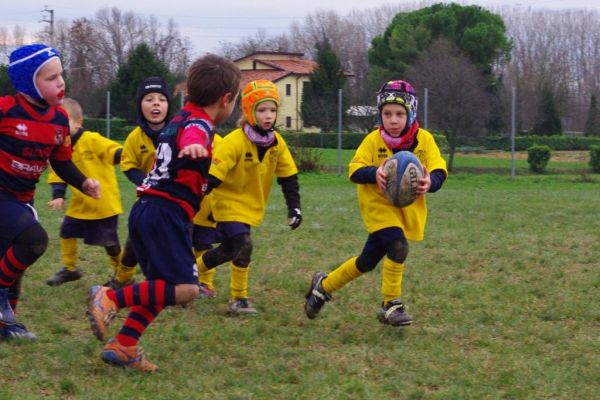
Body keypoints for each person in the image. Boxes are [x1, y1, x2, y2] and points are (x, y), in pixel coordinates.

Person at [86, 54, 241, 372]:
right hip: (165, 214)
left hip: (148, 210)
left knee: (162, 285)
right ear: (226, 99)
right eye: (234, 101)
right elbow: (195, 135)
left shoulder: (181, 115)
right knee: (185, 289)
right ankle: (110, 298)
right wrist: (198, 145)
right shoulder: (199, 124)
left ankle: (125, 345)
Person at [304, 80, 447, 326]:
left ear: (411, 113)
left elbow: (439, 170)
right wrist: (374, 173)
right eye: (387, 114)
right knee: (398, 246)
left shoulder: (425, 140)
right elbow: (354, 170)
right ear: (380, 115)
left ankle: (323, 286)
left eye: (400, 114)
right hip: (378, 208)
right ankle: (391, 304)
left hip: (405, 211)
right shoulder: (373, 140)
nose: (393, 120)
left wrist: (429, 182)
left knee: (366, 262)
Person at [0, 44, 100, 340]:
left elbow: (61, 161)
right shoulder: (5, 109)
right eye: (50, 77)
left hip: (22, 199)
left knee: (11, 263)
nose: (61, 83)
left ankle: (7, 326)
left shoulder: (59, 120)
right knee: (34, 240)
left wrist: (83, 182)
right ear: (28, 81)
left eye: (61, 75)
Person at [196, 79, 302, 315]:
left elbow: (289, 178)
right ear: (248, 111)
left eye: (273, 110)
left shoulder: (277, 143)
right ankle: (238, 299)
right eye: (262, 110)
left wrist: (294, 208)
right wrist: (193, 202)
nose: (268, 115)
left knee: (228, 250)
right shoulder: (234, 141)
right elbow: (213, 177)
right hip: (227, 204)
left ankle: (192, 272)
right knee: (244, 245)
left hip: (251, 207)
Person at [104, 76, 173, 289]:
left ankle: (177, 283)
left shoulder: (179, 133)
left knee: (175, 241)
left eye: (161, 99)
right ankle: (123, 278)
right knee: (136, 237)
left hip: (176, 200)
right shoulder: (135, 137)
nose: (155, 103)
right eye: (149, 99)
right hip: (149, 198)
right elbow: (127, 165)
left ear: (168, 105)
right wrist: (146, 182)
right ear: (139, 106)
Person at [45, 98, 123, 286]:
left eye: (64, 122)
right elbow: (59, 173)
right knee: (66, 232)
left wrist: (127, 155)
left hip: (103, 205)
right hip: (79, 206)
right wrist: (58, 195)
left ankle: (123, 274)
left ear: (78, 122)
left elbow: (115, 151)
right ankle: (70, 269)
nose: (59, 127)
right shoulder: (60, 147)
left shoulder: (92, 140)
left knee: (110, 244)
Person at [192, 132, 222, 299]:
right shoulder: (184, 136)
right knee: (181, 244)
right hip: (186, 200)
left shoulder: (219, 142)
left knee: (203, 245)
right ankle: (185, 280)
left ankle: (206, 284)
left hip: (208, 204)